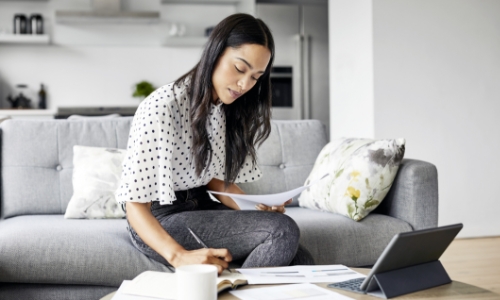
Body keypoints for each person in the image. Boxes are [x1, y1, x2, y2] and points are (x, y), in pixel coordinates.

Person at [116, 13, 314, 274]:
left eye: (255, 77)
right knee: (282, 231)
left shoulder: (223, 107)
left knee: (301, 259)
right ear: (215, 53)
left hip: (200, 206)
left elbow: (215, 181)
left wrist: (257, 208)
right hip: (158, 219)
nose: (245, 84)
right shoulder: (162, 106)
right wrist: (178, 256)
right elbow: (135, 205)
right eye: (240, 69)